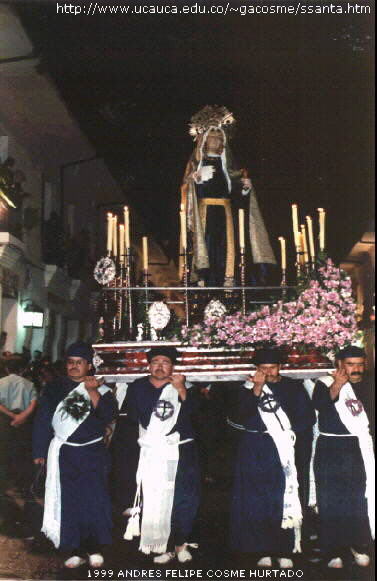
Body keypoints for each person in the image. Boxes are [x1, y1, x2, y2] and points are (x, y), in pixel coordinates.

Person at [32, 341, 118, 569]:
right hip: (64, 453)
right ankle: (75, 549)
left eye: (79, 363)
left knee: (94, 500)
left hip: (92, 453)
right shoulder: (54, 388)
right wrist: (39, 451)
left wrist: (91, 392)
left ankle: (95, 547)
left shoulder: (101, 388)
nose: (74, 367)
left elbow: (107, 415)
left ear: (89, 365)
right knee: (69, 501)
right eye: (70, 362)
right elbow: (42, 421)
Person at [228, 347, 316, 568]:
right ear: (256, 369)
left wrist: (287, 433)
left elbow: (306, 418)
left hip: (284, 448)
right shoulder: (244, 389)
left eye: (272, 368)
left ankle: (284, 548)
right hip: (255, 447)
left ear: (280, 367)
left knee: (284, 495)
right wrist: (256, 388)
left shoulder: (293, 388)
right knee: (256, 499)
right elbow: (238, 418)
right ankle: (262, 549)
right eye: (262, 368)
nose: (267, 372)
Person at [180, 105, 276, 287]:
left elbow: (236, 190)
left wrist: (245, 188)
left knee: (226, 249)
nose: (215, 142)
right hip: (205, 213)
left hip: (225, 214)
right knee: (207, 247)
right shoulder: (197, 165)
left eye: (218, 138)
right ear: (204, 141)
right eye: (212, 138)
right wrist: (195, 180)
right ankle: (204, 281)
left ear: (223, 142)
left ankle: (228, 282)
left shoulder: (228, 168)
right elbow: (186, 188)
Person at [121, 346, 200, 564]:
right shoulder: (137, 387)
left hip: (180, 451)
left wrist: (181, 390)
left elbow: (198, 416)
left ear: (173, 366)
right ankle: (161, 545)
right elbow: (131, 419)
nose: (159, 366)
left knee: (182, 498)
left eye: (165, 362)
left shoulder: (184, 386)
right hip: (151, 451)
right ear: (149, 365)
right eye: (155, 361)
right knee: (155, 498)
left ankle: (181, 542)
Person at [312, 346, 374, 569]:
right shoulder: (324, 383)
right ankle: (333, 550)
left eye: (360, 364)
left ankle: (359, 545)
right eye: (350, 364)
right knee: (331, 500)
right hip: (332, 447)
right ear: (339, 364)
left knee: (358, 498)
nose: (356, 369)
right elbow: (319, 406)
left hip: (358, 448)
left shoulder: (369, 384)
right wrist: (338, 384)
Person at [0, 357, 38, 496]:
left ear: (7, 369)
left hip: (3, 420)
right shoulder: (29, 384)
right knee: (19, 453)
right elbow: (33, 403)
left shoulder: (1, 382)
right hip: (23, 421)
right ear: (23, 369)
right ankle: (18, 485)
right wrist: (21, 416)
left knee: (2, 452)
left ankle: (3, 485)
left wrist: (11, 415)